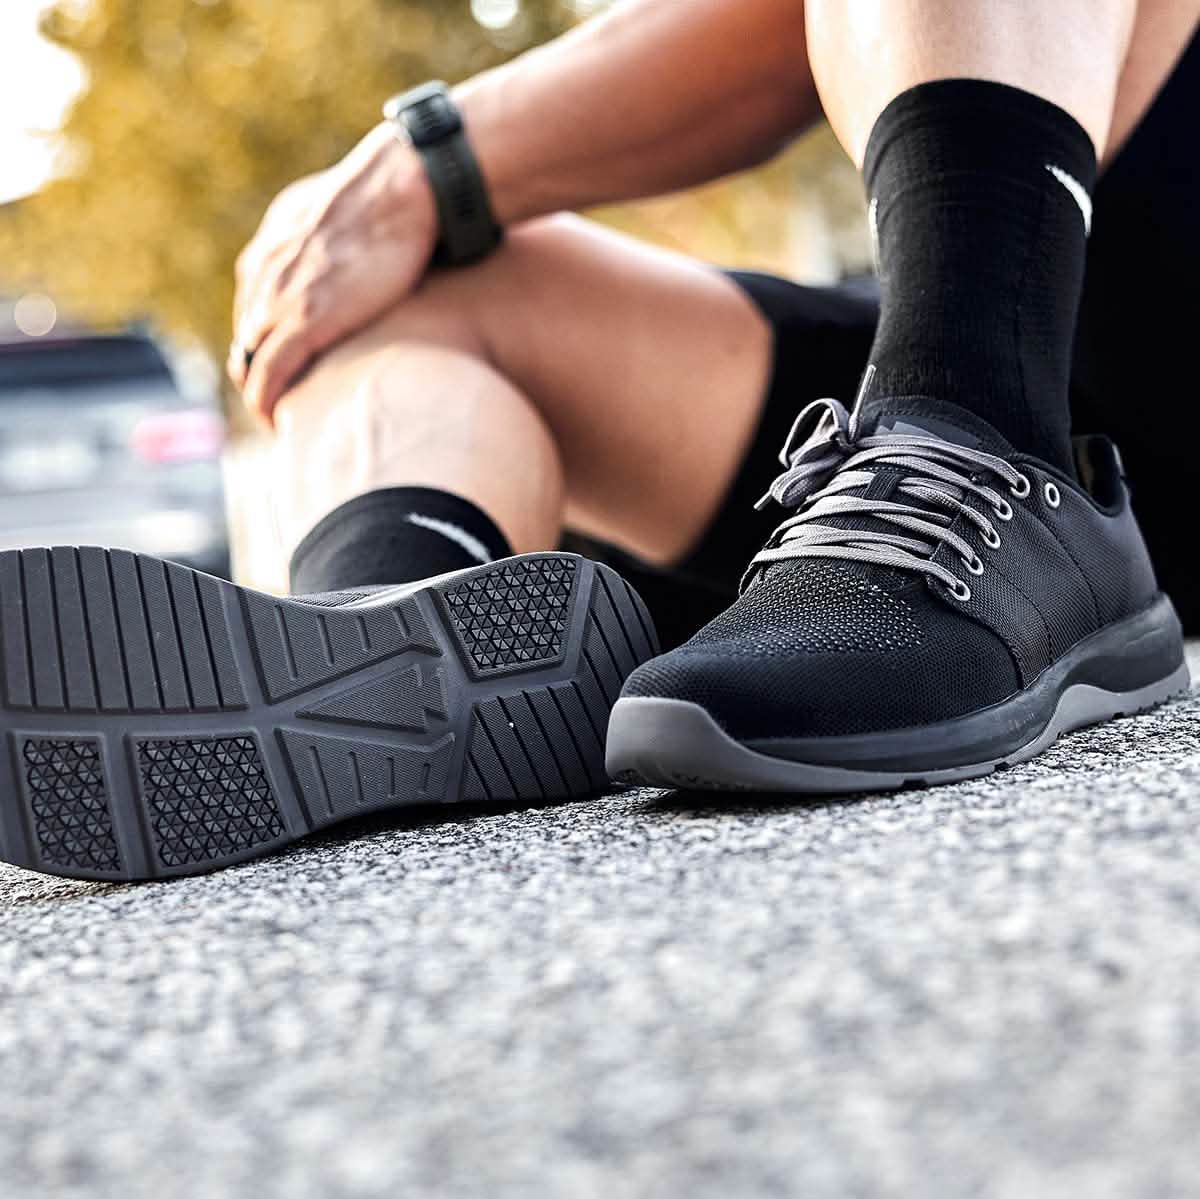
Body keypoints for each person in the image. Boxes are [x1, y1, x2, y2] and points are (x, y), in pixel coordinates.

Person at [1, 0, 1196, 879]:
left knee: (400, 227)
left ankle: (974, 418)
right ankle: (402, 658)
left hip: (1002, 405)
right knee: (397, 294)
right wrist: (417, 205)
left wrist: (429, 162)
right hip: (926, 448)